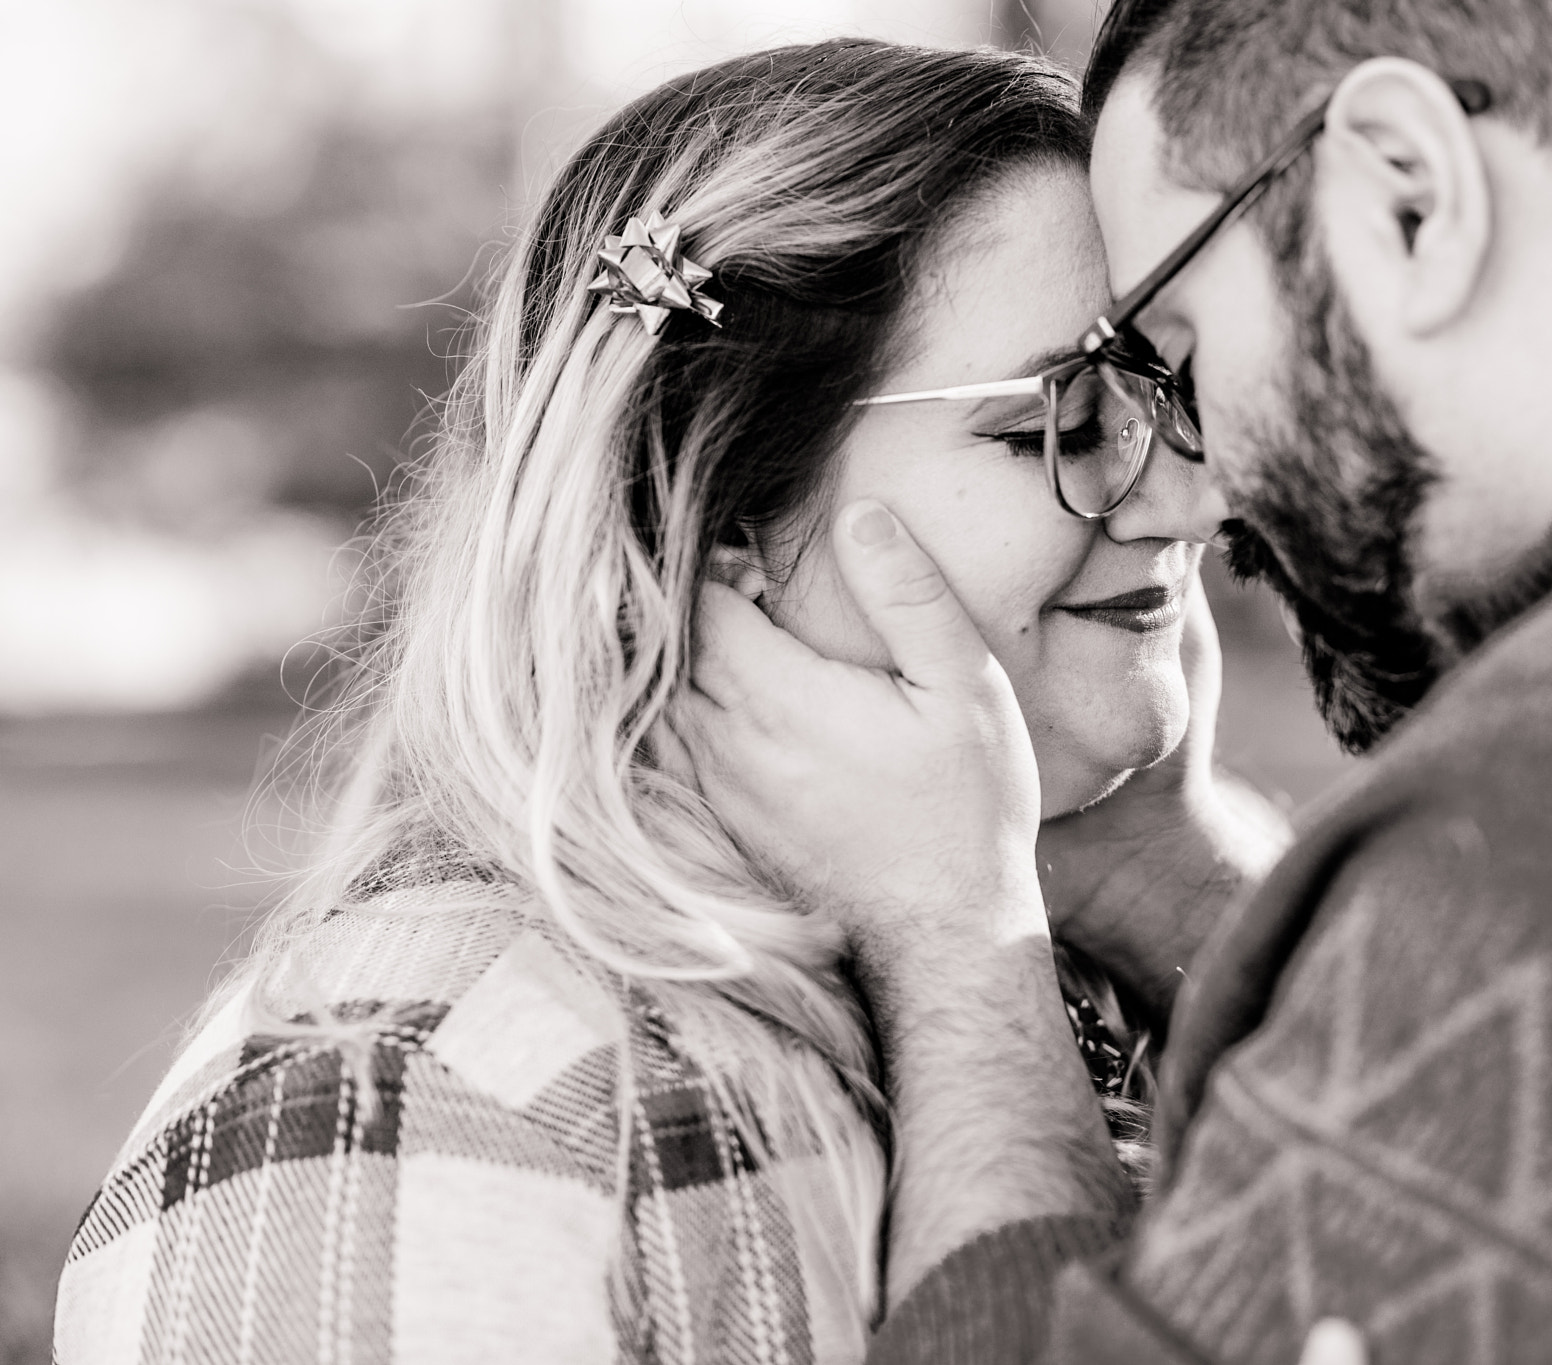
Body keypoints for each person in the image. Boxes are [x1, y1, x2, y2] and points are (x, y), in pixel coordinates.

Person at [684, 0, 1552, 1360]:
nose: (1191, 493)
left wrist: (953, 946)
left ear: (1408, 193)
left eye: (1182, 358)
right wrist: (1170, 874)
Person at [52, 40, 1285, 1365]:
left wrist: (1174, 889)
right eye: (1065, 418)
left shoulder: (1080, 968)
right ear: (719, 511)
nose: (1190, 498)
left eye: (1169, 394)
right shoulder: (417, 1097)